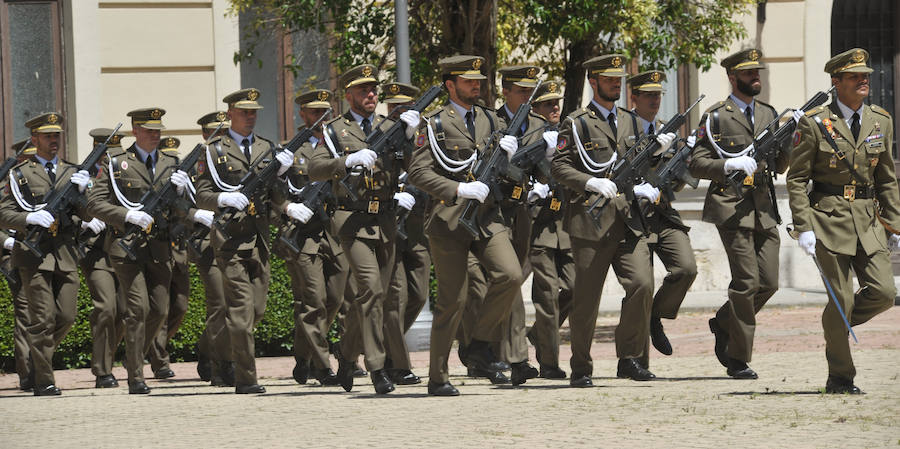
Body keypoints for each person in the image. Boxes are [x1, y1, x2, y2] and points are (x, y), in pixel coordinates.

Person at [551, 54, 675, 387]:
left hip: (628, 220)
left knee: (642, 285)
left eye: (618, 79)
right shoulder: (576, 122)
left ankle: (630, 358)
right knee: (586, 302)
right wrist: (589, 182)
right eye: (609, 80)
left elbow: (640, 164)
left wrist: (655, 159)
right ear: (594, 82)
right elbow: (559, 167)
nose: (616, 84)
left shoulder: (630, 121)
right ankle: (580, 366)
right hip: (590, 225)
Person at [786, 48, 900, 394]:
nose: (863, 80)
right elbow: (797, 179)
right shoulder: (815, 122)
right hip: (828, 219)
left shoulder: (880, 120)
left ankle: (833, 324)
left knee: (884, 293)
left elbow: (887, 178)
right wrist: (803, 226)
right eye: (854, 76)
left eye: (865, 75)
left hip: (868, 221)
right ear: (836, 82)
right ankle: (841, 377)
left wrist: (895, 225)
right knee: (842, 297)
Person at [408, 55, 522, 396]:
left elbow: (499, 167)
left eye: (479, 80)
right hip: (449, 219)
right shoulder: (434, 124)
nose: (477, 85)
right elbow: (418, 172)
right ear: (450, 85)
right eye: (469, 80)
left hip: (487, 217)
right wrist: (457, 188)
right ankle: (438, 376)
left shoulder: (490, 118)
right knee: (452, 301)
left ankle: (479, 345)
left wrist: (510, 156)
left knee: (511, 274)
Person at [307, 64, 419, 394]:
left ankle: (345, 354)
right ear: (349, 95)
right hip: (352, 220)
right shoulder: (335, 130)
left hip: (385, 220)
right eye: (362, 90)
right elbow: (314, 169)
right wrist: (346, 162)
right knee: (372, 289)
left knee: (373, 299)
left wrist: (412, 139)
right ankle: (377, 368)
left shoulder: (391, 127)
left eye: (373, 90)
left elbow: (415, 169)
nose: (370, 94)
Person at [689, 49, 790, 379]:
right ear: (733, 78)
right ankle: (738, 357)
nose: (755, 77)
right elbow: (696, 163)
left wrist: (791, 138)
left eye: (757, 71)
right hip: (732, 208)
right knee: (746, 282)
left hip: (764, 208)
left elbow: (780, 165)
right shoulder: (716, 116)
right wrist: (727, 164)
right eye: (748, 73)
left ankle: (724, 322)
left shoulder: (769, 113)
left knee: (769, 282)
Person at [193, 89, 295, 394]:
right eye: (245, 112)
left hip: (259, 237)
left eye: (254, 112)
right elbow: (201, 194)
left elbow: (275, 194)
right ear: (230, 114)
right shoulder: (213, 151)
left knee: (256, 309)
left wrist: (285, 190)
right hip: (229, 240)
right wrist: (223, 198)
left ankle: (217, 351)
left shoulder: (266, 147)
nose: (251, 117)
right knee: (240, 308)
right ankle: (246, 378)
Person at [87, 107, 182, 394]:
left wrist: (183, 194)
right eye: (150, 130)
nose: (156, 134)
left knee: (160, 309)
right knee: (137, 308)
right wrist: (126, 216)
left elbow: (181, 211)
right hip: (125, 247)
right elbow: (94, 204)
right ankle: (136, 376)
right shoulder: (117, 162)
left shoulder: (172, 162)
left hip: (159, 247)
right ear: (135, 132)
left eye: (158, 130)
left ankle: (133, 358)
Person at [0, 112, 91, 395]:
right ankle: (44, 380)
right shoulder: (20, 174)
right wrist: (28, 219)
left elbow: (86, 213)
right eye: (48, 136)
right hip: (33, 255)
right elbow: (3, 212)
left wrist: (84, 191)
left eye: (57, 136)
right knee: (42, 319)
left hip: (64, 253)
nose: (54, 140)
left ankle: (34, 359)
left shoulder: (70, 171)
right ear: (35, 139)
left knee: (67, 315)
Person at [627, 70, 698, 367]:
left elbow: (677, 183)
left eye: (658, 95)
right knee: (640, 286)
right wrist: (654, 151)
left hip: (662, 214)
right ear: (634, 98)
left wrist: (682, 161)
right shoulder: (623, 129)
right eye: (648, 95)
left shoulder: (666, 133)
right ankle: (634, 360)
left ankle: (657, 315)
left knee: (686, 268)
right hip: (632, 215)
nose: (655, 100)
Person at [278, 88, 345, 387]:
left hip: (333, 231)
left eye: (325, 112)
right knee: (314, 301)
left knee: (335, 299)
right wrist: (287, 207)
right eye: (314, 112)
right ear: (302, 115)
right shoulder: (290, 151)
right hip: (303, 234)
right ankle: (322, 364)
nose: (321, 118)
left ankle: (303, 355)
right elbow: (272, 193)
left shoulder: (339, 144)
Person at [524, 80, 573, 379]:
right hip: (537, 223)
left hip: (565, 224)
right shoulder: (528, 136)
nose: (554, 107)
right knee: (546, 296)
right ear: (535, 108)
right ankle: (550, 362)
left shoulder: (568, 133)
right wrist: (533, 187)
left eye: (557, 102)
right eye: (547, 104)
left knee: (574, 287)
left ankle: (538, 335)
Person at [80, 128, 126, 388]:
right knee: (106, 307)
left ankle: (108, 359)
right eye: (105, 152)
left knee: (123, 310)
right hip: (95, 251)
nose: (109, 157)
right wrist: (85, 223)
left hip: (122, 249)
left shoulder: (125, 173)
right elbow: (68, 210)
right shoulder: (82, 177)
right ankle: (102, 371)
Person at [190, 111, 233, 386]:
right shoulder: (194, 164)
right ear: (205, 135)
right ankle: (221, 368)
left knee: (241, 306)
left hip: (232, 238)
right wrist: (194, 213)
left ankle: (207, 348)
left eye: (225, 132)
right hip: (206, 240)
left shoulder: (233, 159)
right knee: (219, 304)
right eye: (215, 132)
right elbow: (176, 204)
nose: (221, 137)